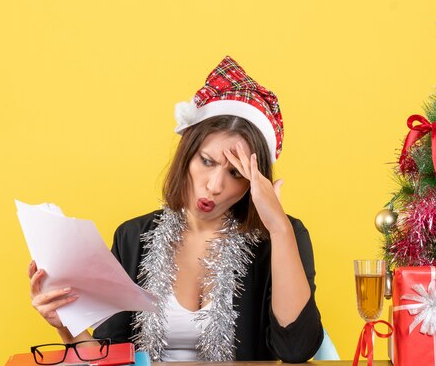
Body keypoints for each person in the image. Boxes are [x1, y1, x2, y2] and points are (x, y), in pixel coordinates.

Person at [27, 56, 324, 362]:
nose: (214, 185)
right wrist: (66, 326)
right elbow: (110, 359)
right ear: (187, 155)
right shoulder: (133, 237)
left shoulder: (279, 238)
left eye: (235, 173)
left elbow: (296, 349)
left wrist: (278, 227)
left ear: (254, 181)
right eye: (206, 161)